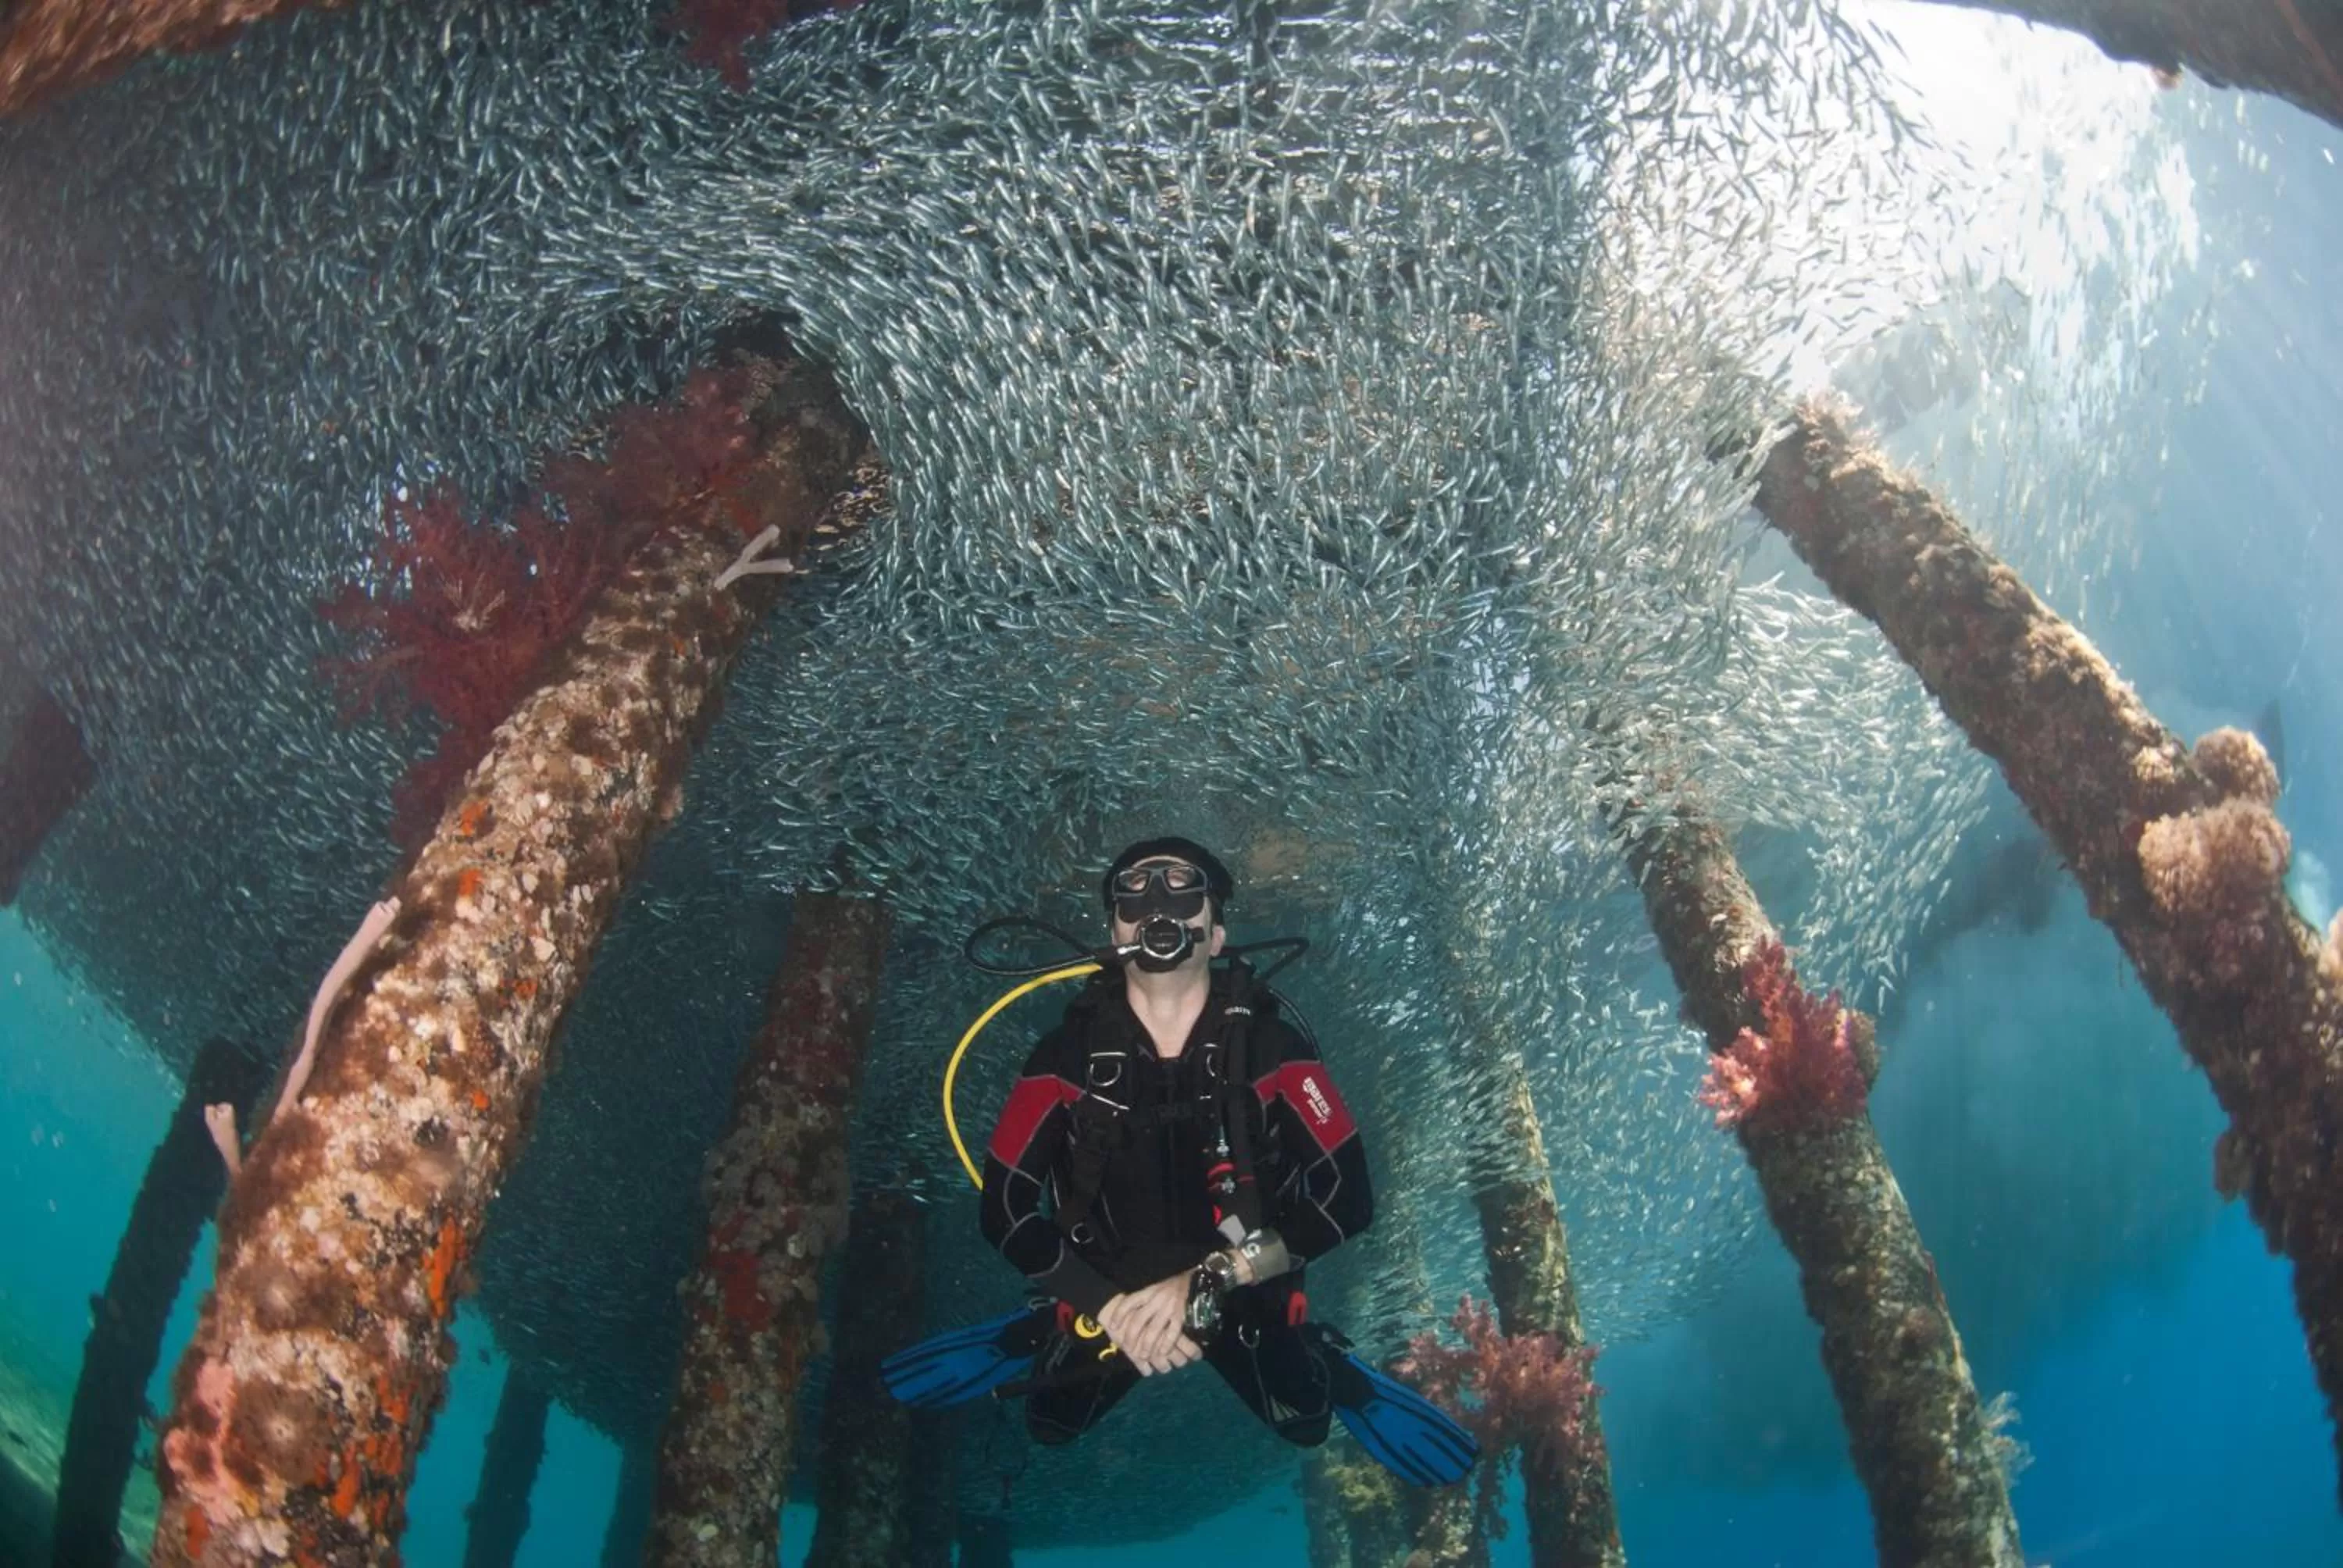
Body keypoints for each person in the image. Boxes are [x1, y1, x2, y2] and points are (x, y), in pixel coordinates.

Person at [885, 836, 1475, 1486]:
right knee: (1050, 1426)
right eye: (1133, 896)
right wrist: (1103, 1305)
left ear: (1216, 935)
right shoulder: (1062, 1058)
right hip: (1109, 1291)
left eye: (1182, 889)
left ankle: (1325, 1365)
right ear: (1114, 931)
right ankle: (1035, 1329)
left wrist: (1217, 1275)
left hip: (1244, 1279)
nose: (1157, 907)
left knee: (1305, 1422)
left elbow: (1350, 1197)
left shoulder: (1276, 1051)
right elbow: (1003, 1209)